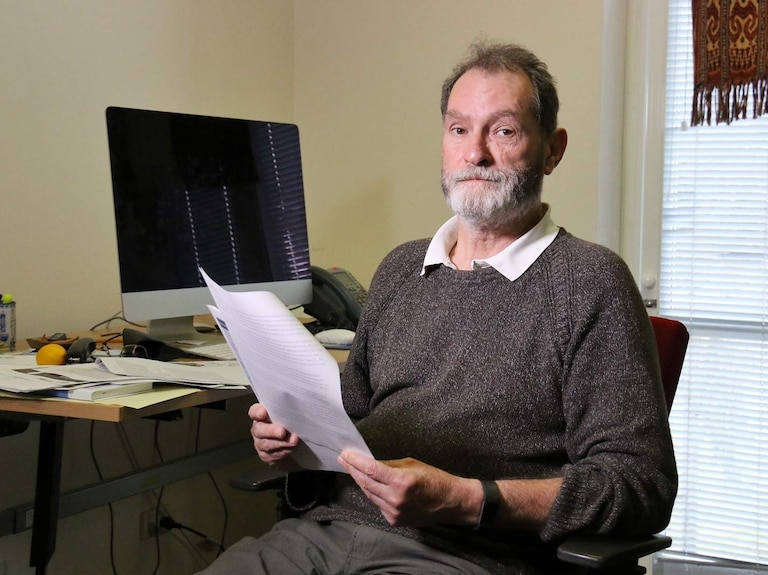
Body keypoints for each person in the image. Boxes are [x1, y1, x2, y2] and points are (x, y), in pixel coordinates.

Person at [199, 41, 676, 575]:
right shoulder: (400, 268)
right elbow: (348, 426)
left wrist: (467, 500)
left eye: (503, 130)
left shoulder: (591, 282)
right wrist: (295, 445)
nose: (475, 154)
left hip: (468, 558)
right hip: (323, 536)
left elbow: (640, 485)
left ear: (552, 149)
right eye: (458, 130)